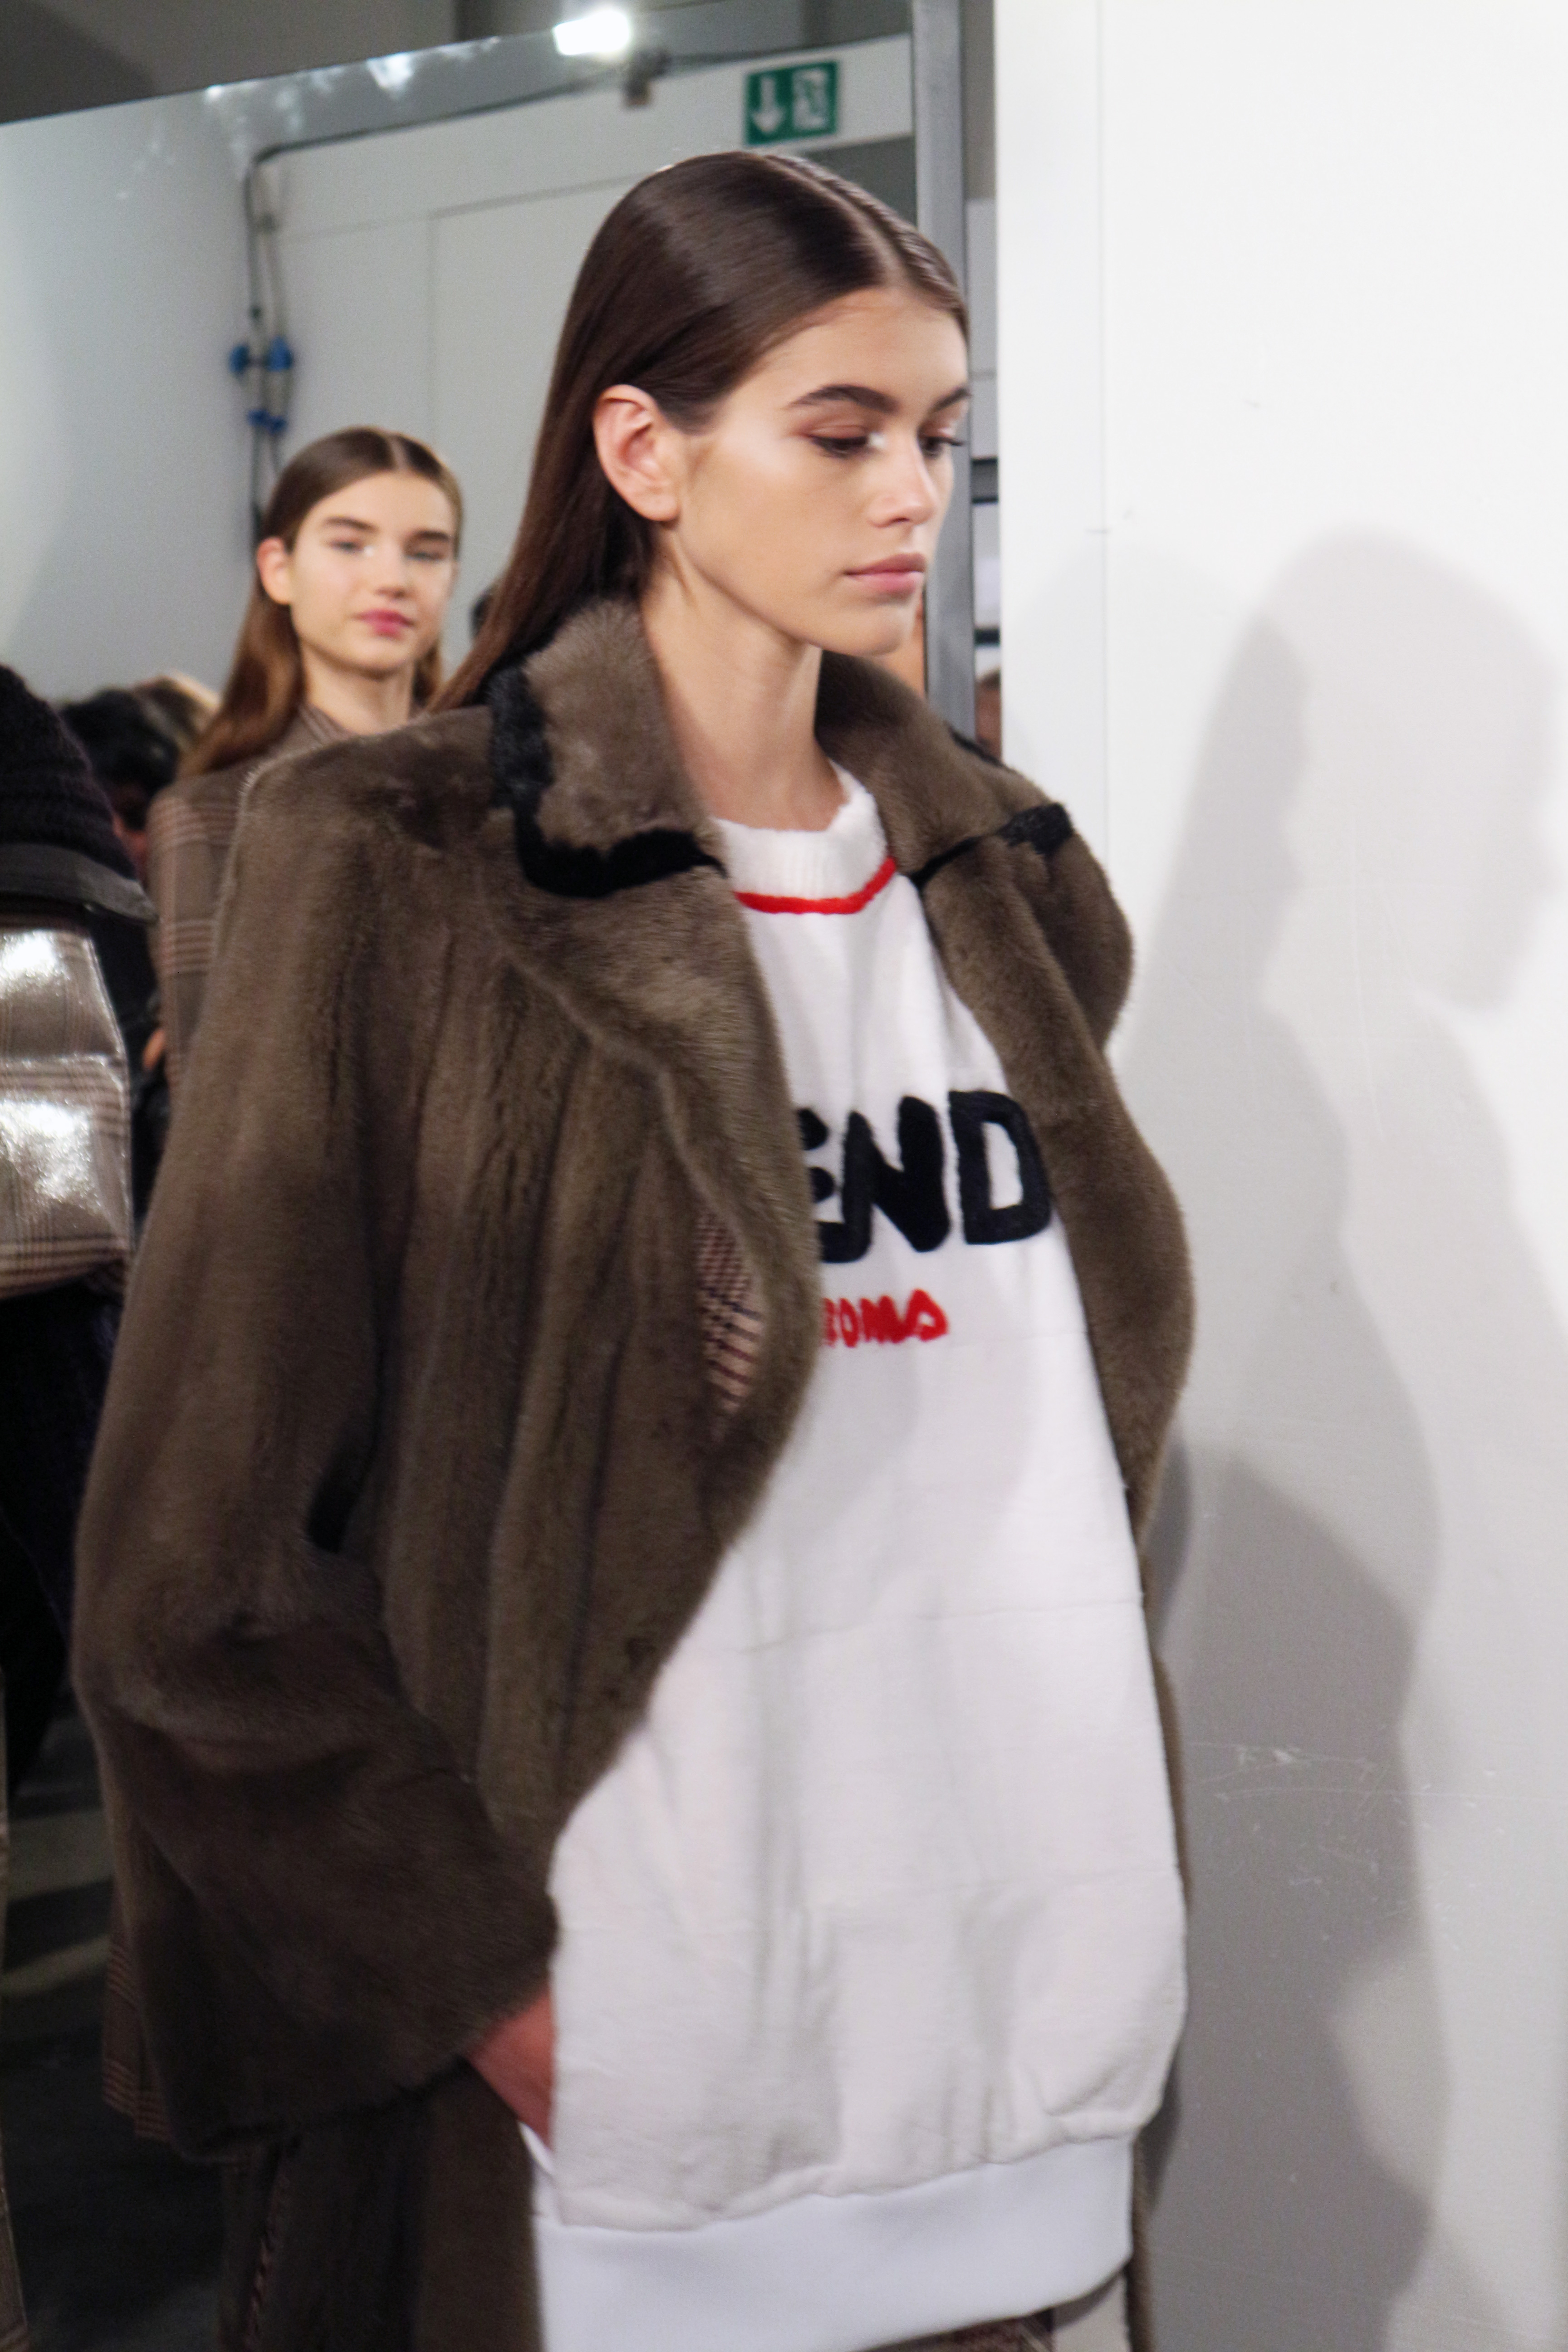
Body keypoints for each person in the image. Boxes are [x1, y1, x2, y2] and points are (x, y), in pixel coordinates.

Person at [74, 153, 1192, 2352]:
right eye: (839, 431)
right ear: (643, 450)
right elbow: (191, 1578)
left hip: (1021, 2028)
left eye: (939, 433)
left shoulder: (1005, 889)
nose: (912, 495)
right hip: (631, 2095)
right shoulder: (398, 864)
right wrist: (494, 1997)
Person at [147, 426, 461, 1091]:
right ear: (278, 569)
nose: (392, 580)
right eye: (350, 545)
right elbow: (206, 1095)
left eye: (426, 553)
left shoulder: (498, 789)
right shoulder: (212, 815)